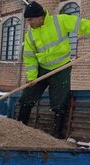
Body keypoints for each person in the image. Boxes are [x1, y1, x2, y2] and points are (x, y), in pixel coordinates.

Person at [17, 1, 90, 139]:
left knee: (60, 101)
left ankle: (57, 135)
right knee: (27, 97)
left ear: (40, 17)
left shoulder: (60, 21)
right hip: (42, 68)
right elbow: (29, 57)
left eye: (31, 19)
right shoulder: (30, 35)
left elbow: (84, 25)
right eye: (27, 20)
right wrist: (32, 77)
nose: (29, 23)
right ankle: (19, 128)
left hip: (62, 67)